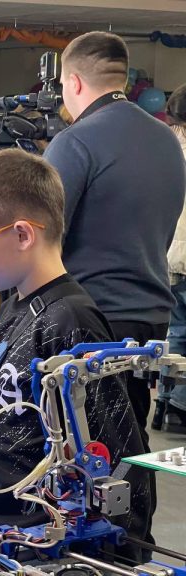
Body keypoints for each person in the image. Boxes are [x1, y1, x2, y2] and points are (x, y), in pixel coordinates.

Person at [0, 149, 151, 557]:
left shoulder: (71, 322)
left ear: (23, 235)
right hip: (1, 539)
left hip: (42, 549)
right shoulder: (14, 305)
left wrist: (121, 552)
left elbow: (114, 455)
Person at [43, 31, 185, 447]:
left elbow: (41, 236)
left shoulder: (75, 141)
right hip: (151, 315)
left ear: (74, 82)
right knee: (131, 439)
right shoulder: (166, 139)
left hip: (90, 319)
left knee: (82, 448)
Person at [155, 83, 186, 430]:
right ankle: (180, 405)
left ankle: (164, 402)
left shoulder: (164, 150)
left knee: (174, 333)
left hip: (166, 254)